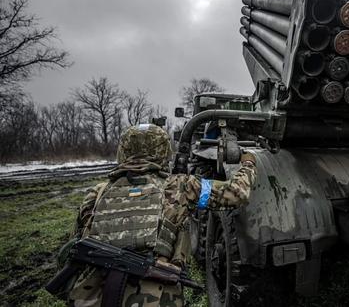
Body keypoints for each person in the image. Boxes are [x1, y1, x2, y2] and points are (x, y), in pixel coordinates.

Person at [63, 123, 256, 307]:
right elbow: (236, 193)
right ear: (164, 152)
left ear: (123, 151)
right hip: (155, 297)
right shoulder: (181, 188)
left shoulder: (97, 192)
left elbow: (71, 251)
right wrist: (248, 163)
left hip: (90, 297)